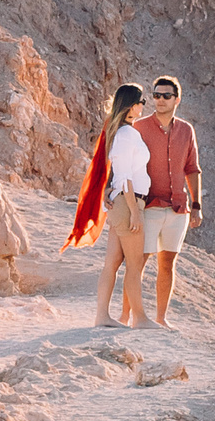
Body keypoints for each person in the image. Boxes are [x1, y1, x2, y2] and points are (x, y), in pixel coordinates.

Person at [62, 83, 152, 327]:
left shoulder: (121, 132)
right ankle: (140, 318)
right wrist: (134, 212)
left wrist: (109, 191)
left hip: (121, 202)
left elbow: (116, 172)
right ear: (131, 106)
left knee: (112, 264)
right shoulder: (126, 134)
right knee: (134, 264)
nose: (143, 106)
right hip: (129, 203)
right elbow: (125, 176)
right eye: (141, 102)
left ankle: (102, 316)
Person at [134, 74, 203, 327]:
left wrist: (196, 205)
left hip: (177, 208)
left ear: (177, 99)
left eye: (166, 96)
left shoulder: (186, 130)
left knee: (167, 264)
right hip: (149, 206)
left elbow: (192, 169)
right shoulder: (139, 127)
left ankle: (161, 318)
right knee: (139, 262)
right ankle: (131, 316)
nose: (160, 100)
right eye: (156, 95)